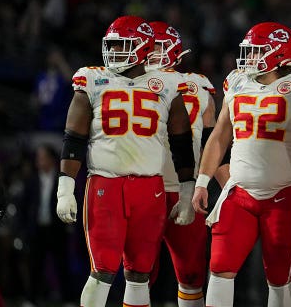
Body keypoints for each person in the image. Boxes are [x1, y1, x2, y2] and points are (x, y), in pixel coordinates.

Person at [55, 15, 196, 307]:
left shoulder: (168, 83)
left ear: (144, 48)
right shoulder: (93, 79)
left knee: (140, 273)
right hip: (105, 182)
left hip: (150, 188)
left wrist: (185, 191)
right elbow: (74, 136)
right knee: (103, 270)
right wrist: (65, 187)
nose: (115, 51)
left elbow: (181, 142)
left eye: (123, 45)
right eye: (113, 45)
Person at [191, 21, 291, 307]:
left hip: (283, 193)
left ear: (280, 55)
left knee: (280, 277)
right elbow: (220, 135)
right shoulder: (236, 81)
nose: (250, 58)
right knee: (219, 266)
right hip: (239, 191)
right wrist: (202, 182)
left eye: (258, 51)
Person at [143, 20, 226, 307]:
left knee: (191, 273)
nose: (150, 52)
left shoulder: (199, 85)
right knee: (139, 272)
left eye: (157, 47)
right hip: (143, 186)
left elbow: (212, 144)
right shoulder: (124, 83)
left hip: (184, 189)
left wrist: (229, 190)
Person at [21, 144, 74, 305]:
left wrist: (69, 224)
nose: (39, 161)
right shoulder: (32, 180)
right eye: (38, 158)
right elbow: (24, 205)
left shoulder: (62, 180)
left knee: (62, 265)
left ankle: (68, 299)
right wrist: (24, 228)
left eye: (42, 157)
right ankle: (31, 299)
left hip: (56, 229)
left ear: (51, 160)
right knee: (34, 266)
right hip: (37, 229)